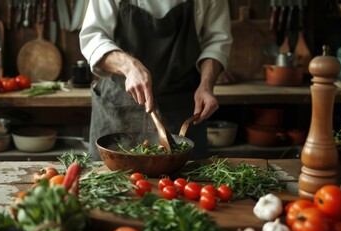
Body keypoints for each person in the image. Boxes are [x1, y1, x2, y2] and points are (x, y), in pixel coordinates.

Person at [79, 0, 232, 160]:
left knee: (188, 178)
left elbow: (217, 40)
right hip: (118, 100)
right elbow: (93, 37)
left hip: (182, 103)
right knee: (108, 179)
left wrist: (206, 85)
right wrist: (129, 66)